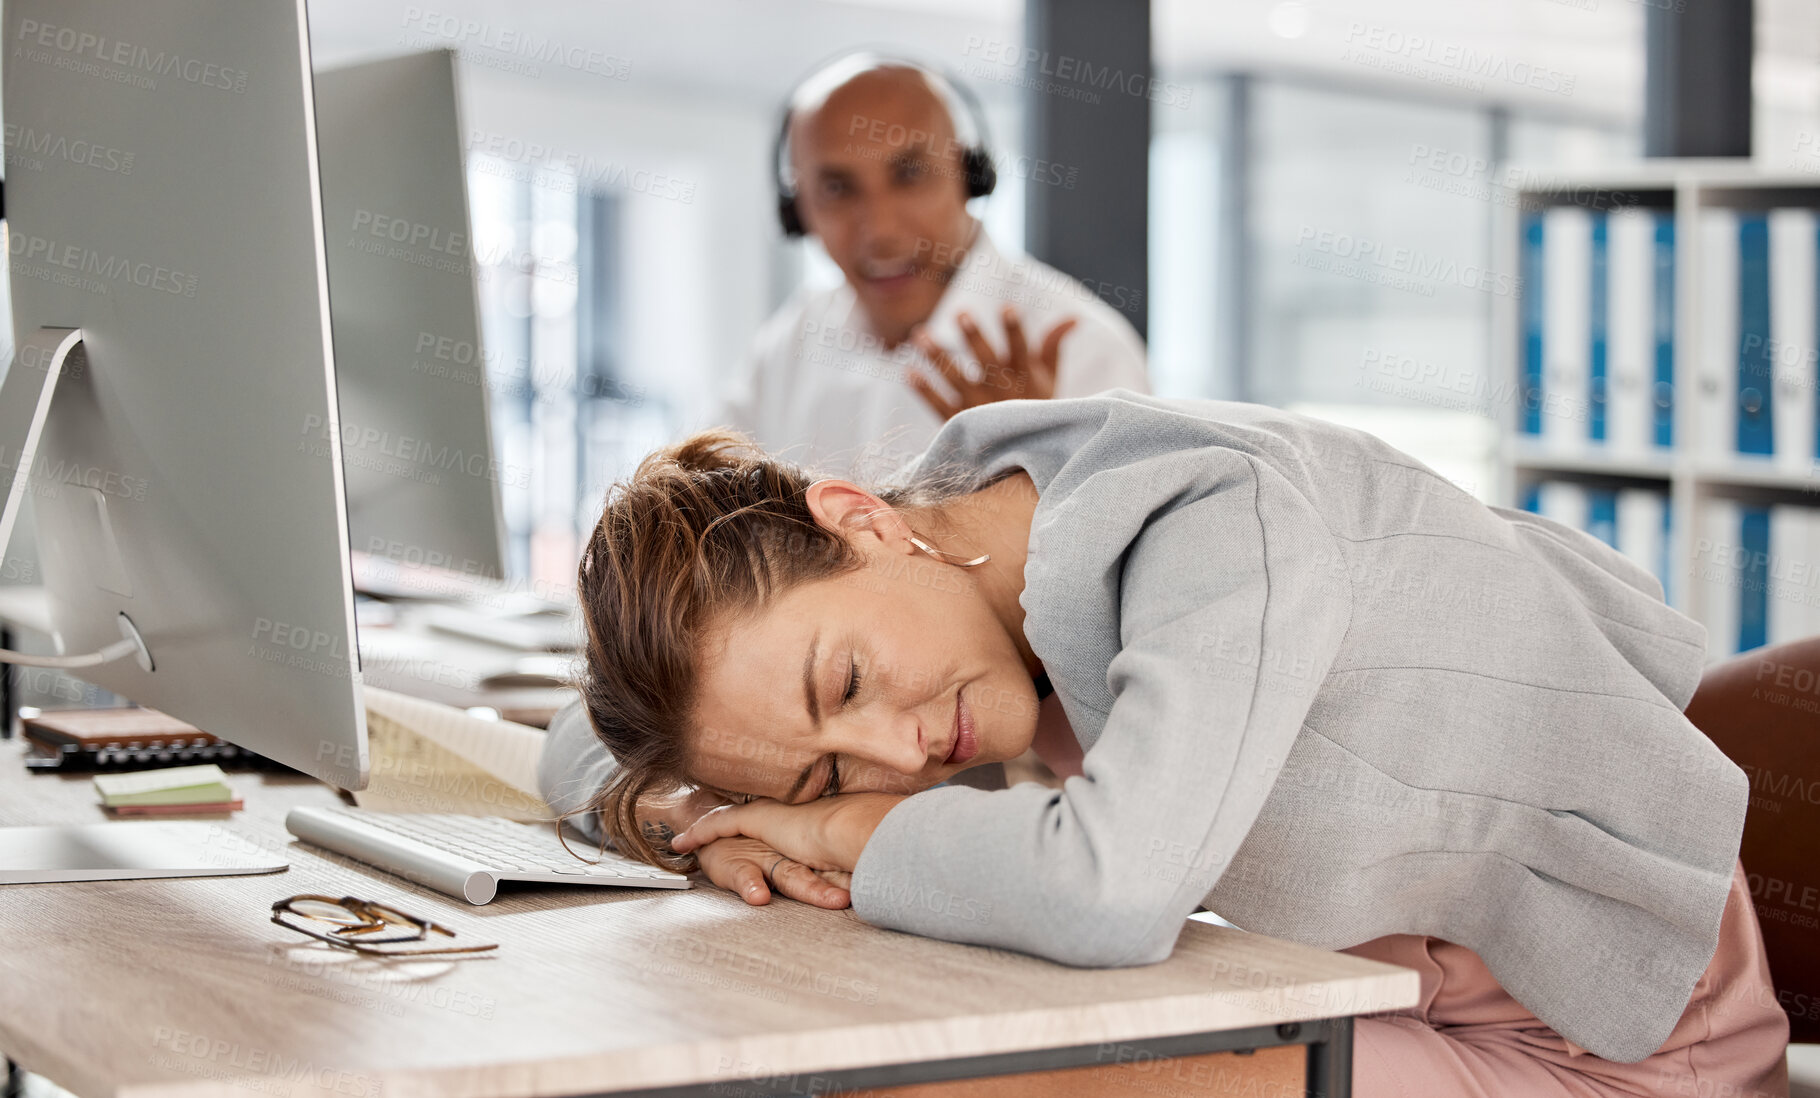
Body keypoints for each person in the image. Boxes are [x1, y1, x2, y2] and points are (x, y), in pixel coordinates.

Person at [538, 390, 1789, 1096]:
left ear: (858, 519)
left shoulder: (1209, 524)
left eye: (848, 682)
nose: (900, 751)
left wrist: (836, 825)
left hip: (1610, 1045)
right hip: (1382, 982)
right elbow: (570, 737)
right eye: (824, 764)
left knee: (938, 1081)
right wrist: (683, 822)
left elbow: (1109, 893)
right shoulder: (967, 526)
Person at [714, 53, 1149, 477]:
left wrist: (1037, 469)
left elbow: (1125, 546)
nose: (880, 229)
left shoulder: (1085, 350)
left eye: (910, 174)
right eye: (837, 188)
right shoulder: (787, 347)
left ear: (970, 176)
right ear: (796, 212)